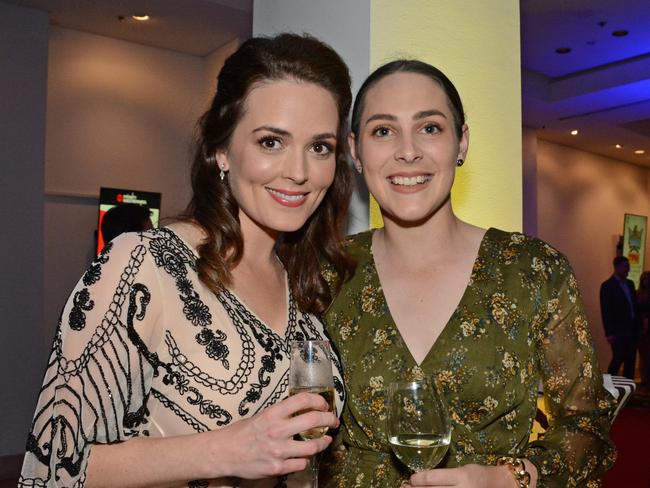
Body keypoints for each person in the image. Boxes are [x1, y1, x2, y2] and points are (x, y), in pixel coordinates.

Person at [20, 33, 356, 488]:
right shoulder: (144, 264)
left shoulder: (305, 282)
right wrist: (225, 451)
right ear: (221, 150)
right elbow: (50, 467)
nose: (299, 171)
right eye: (271, 142)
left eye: (320, 147)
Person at [320, 60, 616, 487]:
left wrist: (509, 479)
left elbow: (587, 426)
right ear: (355, 150)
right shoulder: (328, 272)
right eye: (383, 131)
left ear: (462, 143)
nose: (408, 150)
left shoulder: (532, 270)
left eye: (430, 128)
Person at [600, 256, 640, 379]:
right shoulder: (607, 286)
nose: (628, 270)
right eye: (625, 267)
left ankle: (628, 388)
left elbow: (633, 305)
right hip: (618, 331)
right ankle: (609, 385)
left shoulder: (630, 284)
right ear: (617, 267)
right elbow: (606, 310)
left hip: (631, 328)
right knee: (618, 359)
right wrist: (609, 333)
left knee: (630, 361)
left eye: (628, 267)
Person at [636, 271, 650, 385]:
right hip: (640, 328)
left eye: (648, 279)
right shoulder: (638, 294)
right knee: (643, 355)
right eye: (644, 279)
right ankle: (644, 379)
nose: (646, 281)